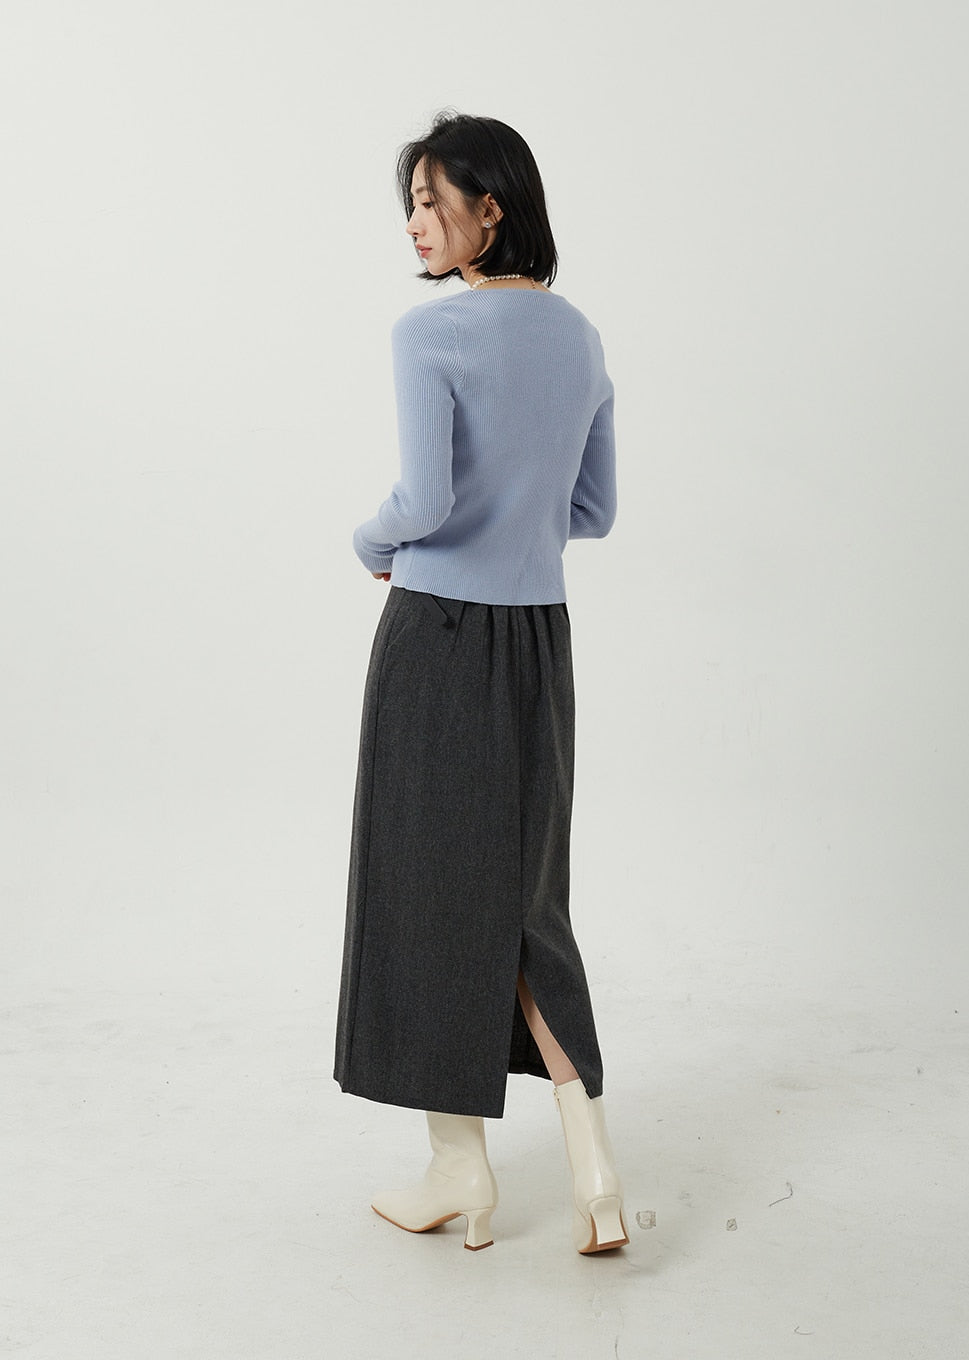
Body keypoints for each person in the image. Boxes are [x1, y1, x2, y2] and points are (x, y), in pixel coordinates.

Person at [333, 110, 627, 1255]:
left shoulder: (431, 334)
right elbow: (593, 511)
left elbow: (423, 502)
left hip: (440, 638)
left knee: (422, 891)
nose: (415, 223)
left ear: (489, 208)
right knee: (526, 901)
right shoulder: (583, 337)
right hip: (540, 642)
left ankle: (460, 1170)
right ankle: (595, 1171)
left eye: (431, 200)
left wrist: (369, 540)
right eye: (408, 204)